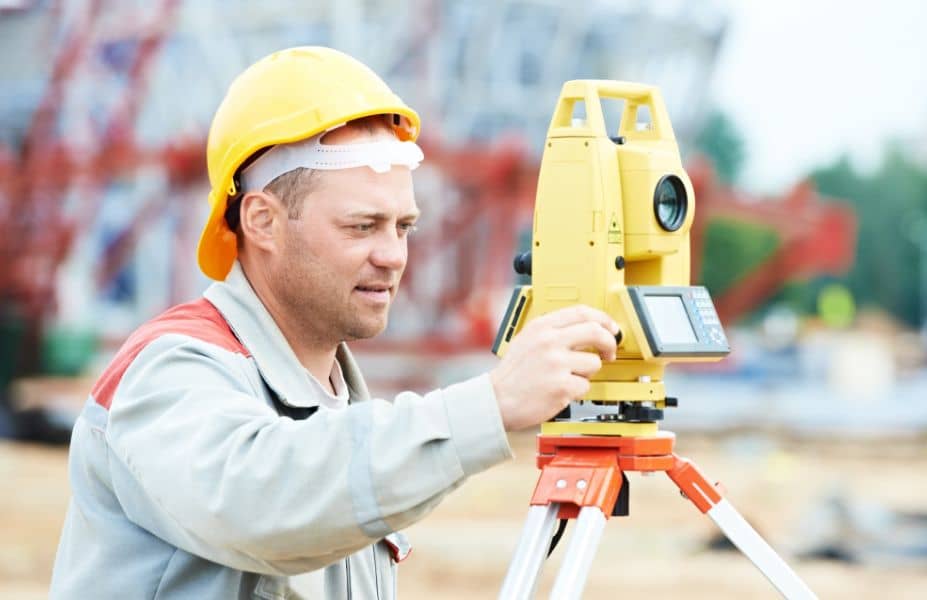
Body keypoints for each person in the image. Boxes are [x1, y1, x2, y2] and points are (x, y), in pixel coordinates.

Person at [49, 46, 618, 599]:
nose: (393, 256)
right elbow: (261, 502)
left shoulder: (343, 414)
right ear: (263, 221)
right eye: (361, 226)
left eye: (403, 227)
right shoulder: (168, 373)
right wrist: (491, 405)